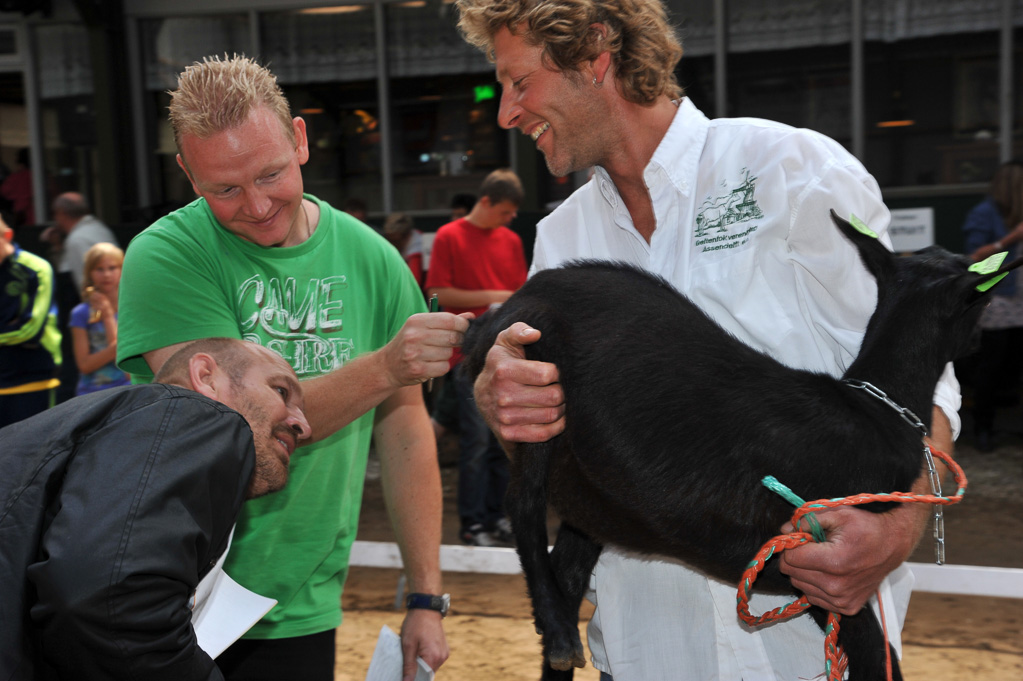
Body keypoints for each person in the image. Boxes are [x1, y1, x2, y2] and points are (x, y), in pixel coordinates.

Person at [456, 1, 961, 679]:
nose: (506, 112)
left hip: (810, 653)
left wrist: (897, 528)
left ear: (594, 56)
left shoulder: (791, 169)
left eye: (518, 82)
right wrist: (508, 402)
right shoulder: (560, 240)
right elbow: (565, 443)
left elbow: (925, 380)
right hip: (638, 654)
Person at [116, 55, 462, 681]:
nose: (255, 204)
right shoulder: (166, 256)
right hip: (172, 596)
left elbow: (406, 433)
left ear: (300, 140)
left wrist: (424, 597)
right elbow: (229, 435)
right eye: (224, 188)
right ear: (187, 174)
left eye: (270, 173)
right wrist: (383, 368)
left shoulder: (374, 260)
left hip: (301, 600)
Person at [0, 337, 310, 681]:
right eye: (281, 391)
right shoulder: (191, 412)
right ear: (206, 376)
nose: (304, 425)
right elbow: (109, 603)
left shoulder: (74, 430)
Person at [426, 168, 528, 546]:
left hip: (506, 353)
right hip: (468, 354)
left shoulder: (511, 240)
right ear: (485, 201)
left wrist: (504, 299)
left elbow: (520, 290)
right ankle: (472, 523)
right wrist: (493, 297)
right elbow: (438, 291)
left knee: (506, 441)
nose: (509, 218)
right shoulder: (450, 235)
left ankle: (497, 517)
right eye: (504, 211)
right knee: (477, 443)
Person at [960, 159, 1023, 451]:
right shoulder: (985, 214)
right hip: (999, 303)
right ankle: (983, 429)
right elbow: (975, 259)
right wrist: (1012, 238)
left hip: (1020, 302)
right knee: (991, 369)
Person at [0, 216, 61, 428]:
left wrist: (15, 327)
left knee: (33, 455)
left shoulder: (36, 268)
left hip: (33, 377)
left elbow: (30, 329)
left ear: (7, 236)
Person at [69, 242, 130, 395]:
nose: (106, 275)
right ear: (89, 273)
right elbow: (84, 365)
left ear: (122, 269)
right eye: (99, 269)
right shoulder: (80, 313)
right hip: (91, 393)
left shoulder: (131, 308)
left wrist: (108, 316)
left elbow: (126, 365)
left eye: (112, 268)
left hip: (126, 390)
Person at [49, 192, 119, 293]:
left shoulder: (76, 240)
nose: (55, 219)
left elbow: (85, 285)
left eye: (55, 214)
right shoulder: (100, 228)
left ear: (61, 213)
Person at [383, 211, 425, 287]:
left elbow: (413, 283)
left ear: (407, 236)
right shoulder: (387, 244)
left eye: (395, 241)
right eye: (389, 240)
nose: (392, 244)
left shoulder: (417, 248)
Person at [0, 148, 34, 227]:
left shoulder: (17, 178)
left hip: (23, 220)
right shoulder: (43, 176)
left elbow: (3, 191)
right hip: (42, 217)